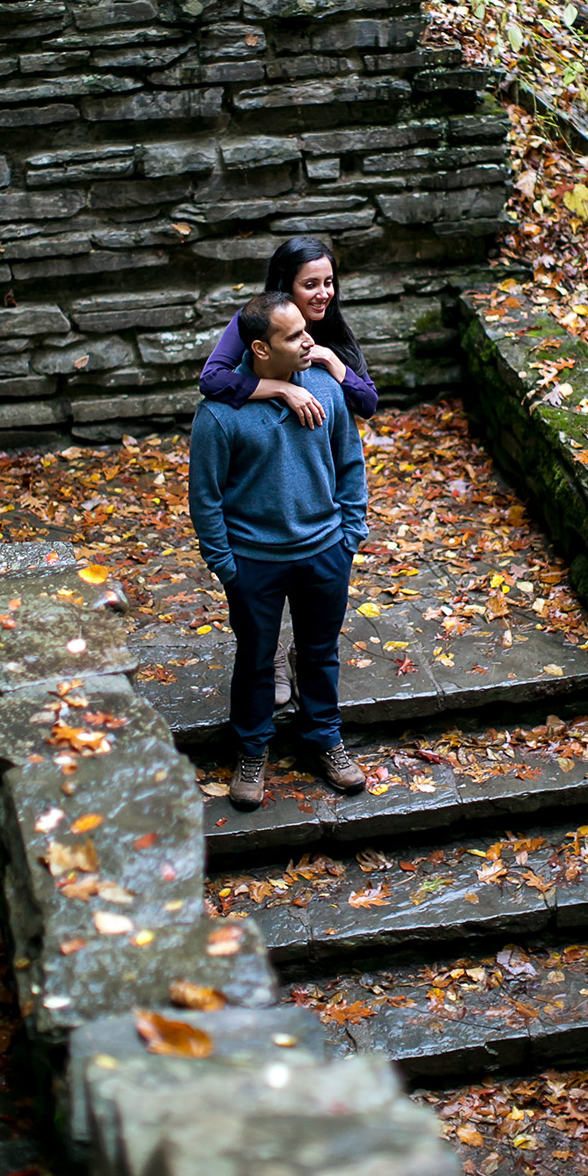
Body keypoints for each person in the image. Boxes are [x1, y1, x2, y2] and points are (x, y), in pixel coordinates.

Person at [188, 290, 369, 812]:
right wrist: (226, 566)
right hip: (254, 564)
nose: (309, 340)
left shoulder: (326, 390)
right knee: (255, 662)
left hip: (324, 552)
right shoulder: (219, 417)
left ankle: (324, 740)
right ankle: (251, 751)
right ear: (261, 351)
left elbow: (350, 464)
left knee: (319, 653)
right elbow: (205, 498)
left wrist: (349, 536)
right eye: (293, 337)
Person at [199, 235, 378, 428]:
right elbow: (211, 379)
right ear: (286, 285)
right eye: (310, 285)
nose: (324, 294)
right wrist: (283, 389)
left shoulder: (332, 325)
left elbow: (368, 404)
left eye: (328, 282)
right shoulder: (257, 319)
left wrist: (330, 358)